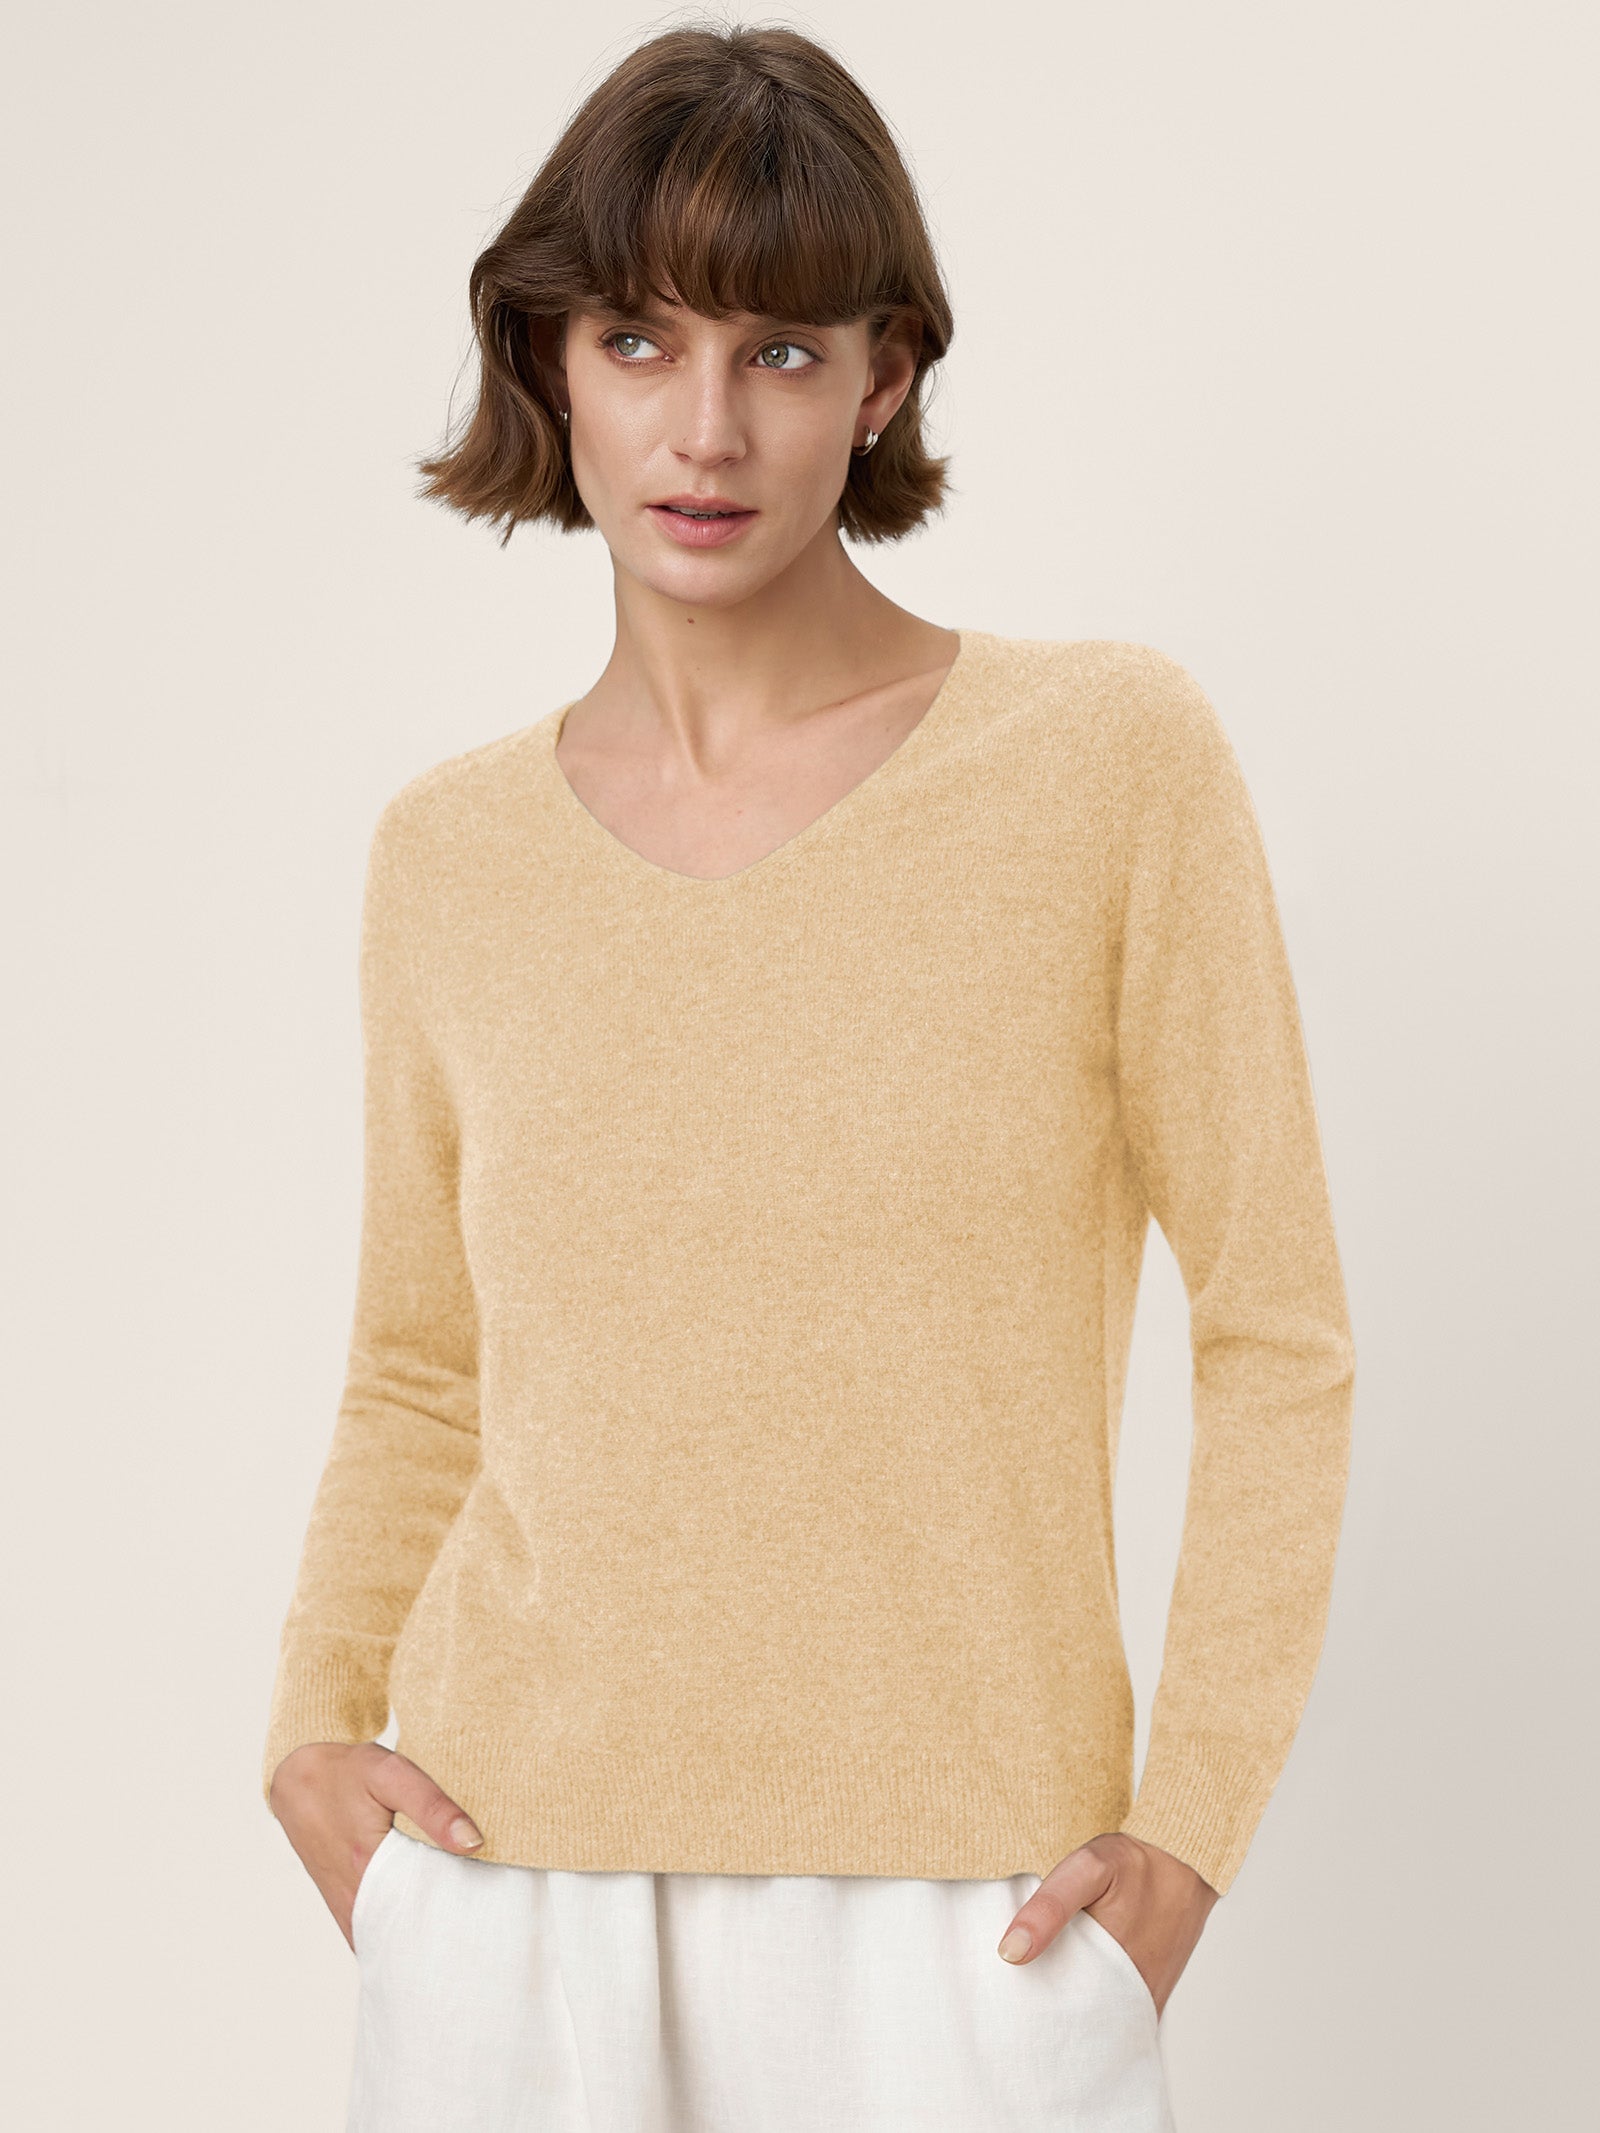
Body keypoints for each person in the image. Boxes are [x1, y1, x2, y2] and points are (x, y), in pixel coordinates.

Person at [261, 22, 1355, 2132]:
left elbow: (1276, 1328)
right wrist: (314, 1723)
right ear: (548, 365)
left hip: (978, 1920)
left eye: (776, 350)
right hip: (506, 1898)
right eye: (638, 340)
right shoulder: (447, 854)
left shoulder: (1104, 764)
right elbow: (417, 1365)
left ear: (884, 377)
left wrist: (1189, 1829)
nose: (704, 426)